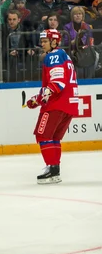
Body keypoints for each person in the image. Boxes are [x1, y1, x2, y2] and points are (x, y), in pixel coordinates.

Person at [25, 29, 79, 184]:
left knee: (43, 135)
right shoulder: (64, 56)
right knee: (54, 137)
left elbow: (57, 82)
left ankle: (52, 169)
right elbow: (56, 82)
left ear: (55, 42)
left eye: (45, 41)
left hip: (57, 103)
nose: (42, 44)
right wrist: (38, 99)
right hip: (68, 104)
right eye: (42, 41)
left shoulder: (54, 55)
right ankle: (54, 169)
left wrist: (40, 99)